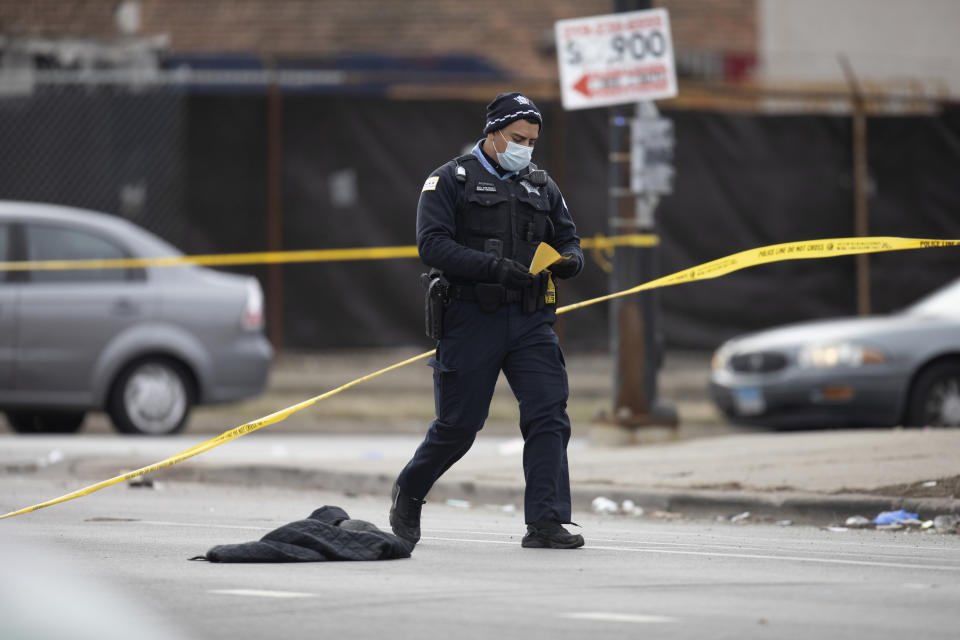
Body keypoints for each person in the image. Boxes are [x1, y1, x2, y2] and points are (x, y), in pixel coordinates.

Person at [390, 92, 585, 549]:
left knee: (548, 415)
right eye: (517, 138)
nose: (525, 148)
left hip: (531, 320)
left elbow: (570, 239)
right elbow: (432, 245)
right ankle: (410, 490)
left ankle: (546, 522)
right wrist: (492, 267)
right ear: (493, 134)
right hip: (472, 317)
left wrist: (570, 261)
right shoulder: (448, 181)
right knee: (459, 427)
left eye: (533, 140)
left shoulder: (542, 185)